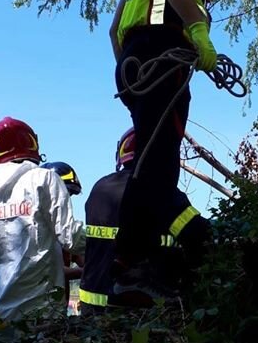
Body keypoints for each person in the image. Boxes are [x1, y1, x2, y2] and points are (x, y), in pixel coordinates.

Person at [109, 0, 237, 299]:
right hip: (162, 57)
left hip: (137, 62)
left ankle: (134, 265)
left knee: (152, 161)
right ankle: (174, 254)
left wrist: (132, 74)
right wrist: (197, 29)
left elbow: (115, 28)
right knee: (160, 164)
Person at [79, 128, 211, 311]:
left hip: (92, 307)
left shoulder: (100, 189)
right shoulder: (161, 191)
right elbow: (198, 234)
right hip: (138, 310)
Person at [0, 117, 85, 321]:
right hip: (43, 313)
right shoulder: (44, 178)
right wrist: (108, 250)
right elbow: (72, 238)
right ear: (33, 146)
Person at [43, 161, 85, 304]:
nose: (66, 199)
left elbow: (81, 258)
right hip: (40, 307)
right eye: (66, 193)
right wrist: (86, 272)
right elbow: (51, 270)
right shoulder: (39, 233)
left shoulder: (66, 232)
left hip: (59, 306)